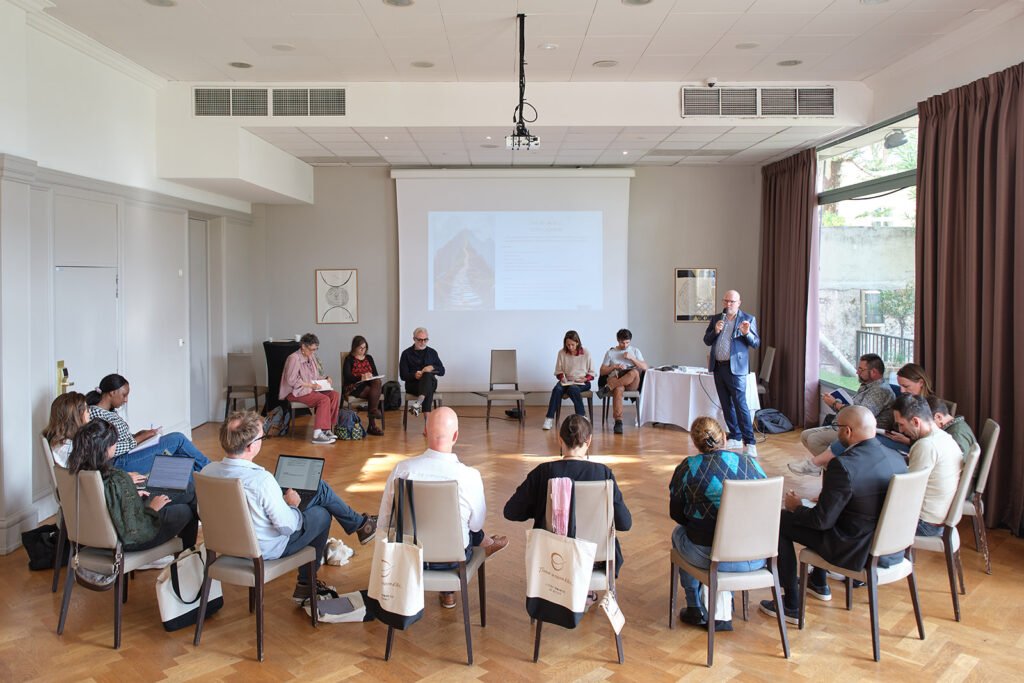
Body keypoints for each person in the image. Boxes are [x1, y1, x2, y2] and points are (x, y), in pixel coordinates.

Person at [202, 411, 378, 602]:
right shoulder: (261, 480)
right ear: (251, 446)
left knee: (319, 489)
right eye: (261, 438)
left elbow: (204, 515)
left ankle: (360, 525)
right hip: (266, 549)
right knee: (322, 514)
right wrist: (292, 506)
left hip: (226, 544)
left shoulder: (207, 472)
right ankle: (307, 584)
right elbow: (287, 527)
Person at [759, 406, 907, 624]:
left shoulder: (844, 464)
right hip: (890, 547)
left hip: (855, 549)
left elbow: (821, 522)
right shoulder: (896, 458)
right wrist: (828, 498)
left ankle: (791, 604)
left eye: (838, 428)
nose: (837, 433)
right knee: (825, 517)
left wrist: (796, 507)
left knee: (781, 521)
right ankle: (818, 581)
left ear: (847, 431)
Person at [378, 407, 507, 609]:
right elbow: (476, 525)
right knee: (463, 527)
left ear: (425, 431)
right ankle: (449, 590)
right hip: (453, 561)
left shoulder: (403, 470)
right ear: (455, 436)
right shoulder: (470, 476)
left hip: (409, 558)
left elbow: (385, 520)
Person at [505, 415, 632, 594]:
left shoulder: (543, 472)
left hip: (553, 560)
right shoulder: (604, 474)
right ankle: (586, 593)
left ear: (560, 440)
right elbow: (625, 523)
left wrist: (542, 506)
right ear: (589, 441)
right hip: (595, 559)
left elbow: (511, 512)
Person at [669, 417, 766, 631]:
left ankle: (695, 606)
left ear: (695, 442)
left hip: (711, 557)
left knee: (679, 534)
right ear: (723, 436)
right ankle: (722, 600)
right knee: (721, 536)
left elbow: (676, 514)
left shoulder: (688, 468)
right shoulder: (750, 463)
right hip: (757, 554)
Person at [67, 419, 198, 553]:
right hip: (128, 540)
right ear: (105, 448)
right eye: (114, 442)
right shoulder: (115, 479)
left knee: (187, 491)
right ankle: (193, 554)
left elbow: (109, 503)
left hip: (100, 534)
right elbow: (135, 528)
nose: (116, 445)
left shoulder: (76, 472)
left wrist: (130, 496)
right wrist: (152, 508)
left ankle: (192, 554)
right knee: (186, 509)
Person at [788, 353, 896, 476]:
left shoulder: (880, 391)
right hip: (849, 426)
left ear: (874, 372)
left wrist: (835, 404)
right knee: (805, 435)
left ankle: (838, 470)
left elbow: (859, 417)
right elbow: (853, 411)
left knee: (814, 440)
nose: (857, 372)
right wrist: (834, 403)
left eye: (861, 369)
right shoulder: (867, 387)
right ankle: (830, 467)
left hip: (862, 432)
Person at [86, 374, 211, 474]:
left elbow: (119, 438)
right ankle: (212, 471)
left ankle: (205, 484)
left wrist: (139, 434)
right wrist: (139, 438)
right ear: (112, 393)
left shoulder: (109, 412)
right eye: (124, 395)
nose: (126, 400)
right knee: (178, 439)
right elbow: (106, 449)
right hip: (118, 462)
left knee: (182, 460)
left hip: (127, 455)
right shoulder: (96, 414)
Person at [891, 394, 964, 537]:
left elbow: (907, 491)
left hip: (924, 524)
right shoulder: (945, 438)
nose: (900, 430)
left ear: (916, 421)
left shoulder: (926, 445)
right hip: (939, 518)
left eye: (901, 424)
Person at [703, 290, 760, 457]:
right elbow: (707, 340)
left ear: (739, 303)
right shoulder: (716, 318)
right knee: (726, 404)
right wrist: (715, 331)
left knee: (740, 405)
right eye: (726, 301)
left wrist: (746, 333)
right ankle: (735, 436)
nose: (728, 304)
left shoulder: (747, 319)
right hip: (718, 367)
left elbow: (756, 343)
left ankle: (750, 442)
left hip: (736, 369)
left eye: (732, 302)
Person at [280, 333, 341, 445]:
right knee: (323, 400)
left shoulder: (311, 357)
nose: (313, 352)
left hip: (309, 389)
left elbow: (315, 376)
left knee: (334, 395)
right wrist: (310, 385)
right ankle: (317, 434)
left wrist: (325, 379)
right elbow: (291, 380)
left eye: (315, 349)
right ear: (303, 346)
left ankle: (326, 429)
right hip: (295, 392)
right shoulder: (293, 358)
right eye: (312, 349)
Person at [598, 328, 648, 435]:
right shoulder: (611, 353)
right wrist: (614, 366)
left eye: (627, 342)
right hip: (616, 377)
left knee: (634, 372)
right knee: (618, 388)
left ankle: (608, 387)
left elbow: (645, 367)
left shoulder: (635, 351)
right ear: (618, 340)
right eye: (622, 342)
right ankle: (618, 422)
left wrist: (632, 358)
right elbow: (602, 371)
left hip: (632, 382)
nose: (625, 345)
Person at [542, 330, 594, 431]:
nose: (570, 347)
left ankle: (582, 417)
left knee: (573, 389)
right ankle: (549, 418)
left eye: (572, 345)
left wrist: (585, 378)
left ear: (577, 342)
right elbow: (558, 371)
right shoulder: (561, 353)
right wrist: (562, 377)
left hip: (583, 382)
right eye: (568, 345)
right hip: (567, 381)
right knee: (557, 389)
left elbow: (592, 373)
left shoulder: (586, 353)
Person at [342, 335, 383, 436]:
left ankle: (372, 413)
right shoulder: (349, 359)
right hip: (354, 386)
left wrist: (370, 376)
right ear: (354, 347)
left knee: (377, 381)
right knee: (374, 394)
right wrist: (361, 377)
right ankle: (372, 425)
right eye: (360, 348)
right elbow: (347, 376)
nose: (363, 350)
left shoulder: (369, 358)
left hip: (369, 385)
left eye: (364, 348)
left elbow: (375, 374)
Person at [399, 327, 445, 416]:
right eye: (420, 340)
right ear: (414, 339)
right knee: (428, 388)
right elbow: (403, 375)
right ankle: (426, 421)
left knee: (427, 375)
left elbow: (442, 371)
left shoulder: (432, 352)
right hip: (413, 385)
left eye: (425, 340)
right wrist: (414, 375)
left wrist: (432, 367)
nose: (423, 342)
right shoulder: (406, 353)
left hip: (430, 383)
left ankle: (418, 403)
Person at [42, 392, 91, 468]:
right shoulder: (68, 448)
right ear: (76, 415)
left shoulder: (59, 442)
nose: (89, 412)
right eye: (87, 409)